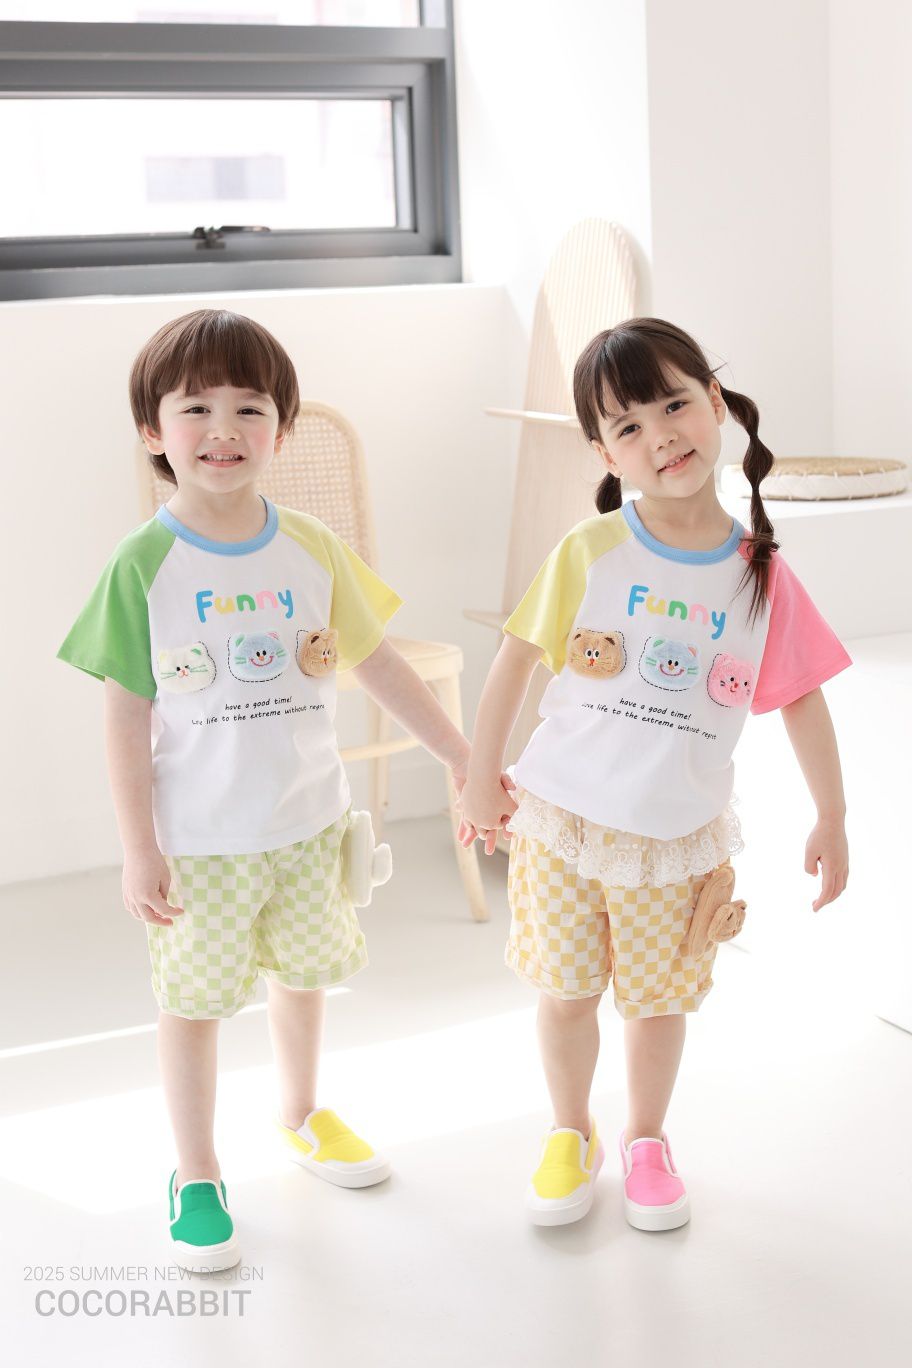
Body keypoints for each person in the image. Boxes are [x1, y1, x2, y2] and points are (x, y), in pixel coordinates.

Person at [58, 308, 491, 1272]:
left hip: (307, 825)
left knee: (306, 976)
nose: (224, 429)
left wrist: (462, 755)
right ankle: (197, 1171)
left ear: (281, 430)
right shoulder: (144, 563)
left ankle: (300, 1112)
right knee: (195, 1003)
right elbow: (125, 716)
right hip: (200, 843)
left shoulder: (312, 545)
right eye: (196, 408)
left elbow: (377, 662)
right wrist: (138, 846)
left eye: (250, 408)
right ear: (152, 429)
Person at [458, 317, 852, 1232]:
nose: (660, 436)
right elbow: (514, 660)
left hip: (675, 840)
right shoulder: (591, 549)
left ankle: (645, 1141)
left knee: (657, 1005)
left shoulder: (761, 574)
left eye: (674, 405)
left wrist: (831, 816)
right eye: (628, 426)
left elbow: (800, 697)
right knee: (565, 996)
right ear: (605, 453)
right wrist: (480, 780)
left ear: (714, 403)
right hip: (561, 825)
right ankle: (570, 1132)